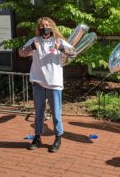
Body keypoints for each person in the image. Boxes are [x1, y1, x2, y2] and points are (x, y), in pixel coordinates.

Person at [19, 17, 76, 153]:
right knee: (39, 113)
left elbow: (73, 53)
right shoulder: (35, 40)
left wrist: (61, 48)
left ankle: (58, 138)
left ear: (51, 26)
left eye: (47, 25)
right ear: (39, 28)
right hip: (38, 81)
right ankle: (37, 138)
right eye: (42, 25)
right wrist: (31, 47)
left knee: (56, 113)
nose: (44, 27)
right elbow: (21, 52)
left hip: (54, 83)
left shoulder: (58, 41)